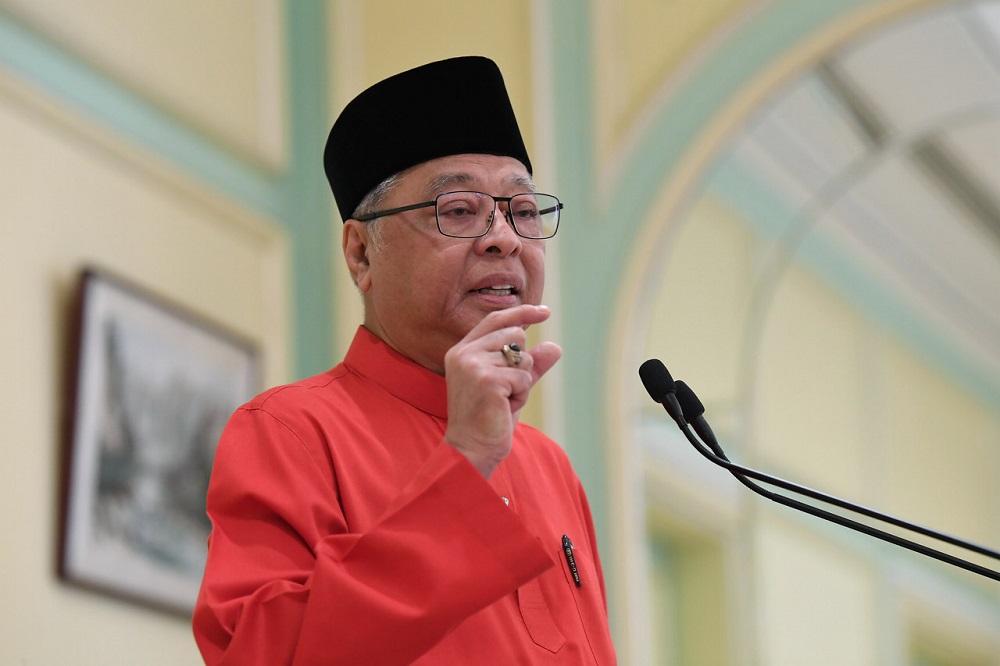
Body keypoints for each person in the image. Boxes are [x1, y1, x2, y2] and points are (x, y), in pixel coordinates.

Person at [193, 55, 617, 665]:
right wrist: (466, 461)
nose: (504, 238)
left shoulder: (549, 464)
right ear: (361, 253)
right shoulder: (290, 432)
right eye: (459, 211)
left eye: (523, 211)